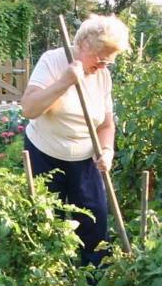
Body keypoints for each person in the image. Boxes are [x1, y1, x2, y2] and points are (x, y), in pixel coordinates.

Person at [20, 15, 130, 265]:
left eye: (109, 62)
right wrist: (65, 82)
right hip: (44, 155)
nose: (103, 67)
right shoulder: (53, 61)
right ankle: (51, 277)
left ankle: (94, 283)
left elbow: (106, 124)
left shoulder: (103, 76)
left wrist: (106, 150)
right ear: (82, 45)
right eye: (100, 59)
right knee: (47, 224)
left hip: (85, 159)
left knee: (95, 220)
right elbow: (29, 109)